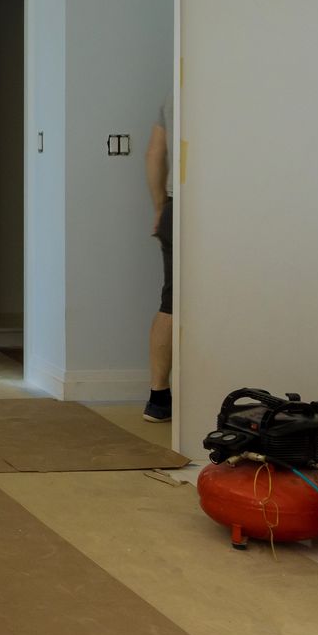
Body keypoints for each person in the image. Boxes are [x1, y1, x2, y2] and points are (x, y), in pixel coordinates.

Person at [144, 99, 173, 423]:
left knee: (171, 303)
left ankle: (159, 398)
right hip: (211, 206)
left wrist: (160, 207)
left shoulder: (171, 96)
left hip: (175, 207)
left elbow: (154, 154)